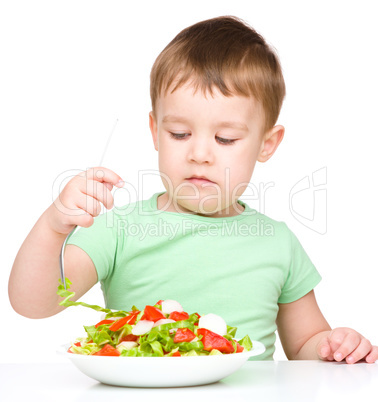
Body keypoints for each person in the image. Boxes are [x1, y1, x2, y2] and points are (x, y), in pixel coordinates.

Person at [9, 16, 377, 363]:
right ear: (155, 131)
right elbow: (33, 303)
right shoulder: (119, 229)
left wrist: (333, 346)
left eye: (225, 138)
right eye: (180, 134)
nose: (199, 154)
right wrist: (53, 226)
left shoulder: (277, 242)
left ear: (267, 143)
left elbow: (304, 345)